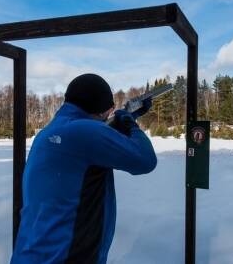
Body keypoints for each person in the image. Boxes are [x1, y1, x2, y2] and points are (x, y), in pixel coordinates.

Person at [10, 74, 157, 264]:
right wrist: (129, 121)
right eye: (109, 110)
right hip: (66, 257)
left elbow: (97, 136)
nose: (109, 115)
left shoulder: (51, 131)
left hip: (30, 253)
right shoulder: (86, 132)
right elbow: (145, 160)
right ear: (99, 109)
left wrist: (130, 115)